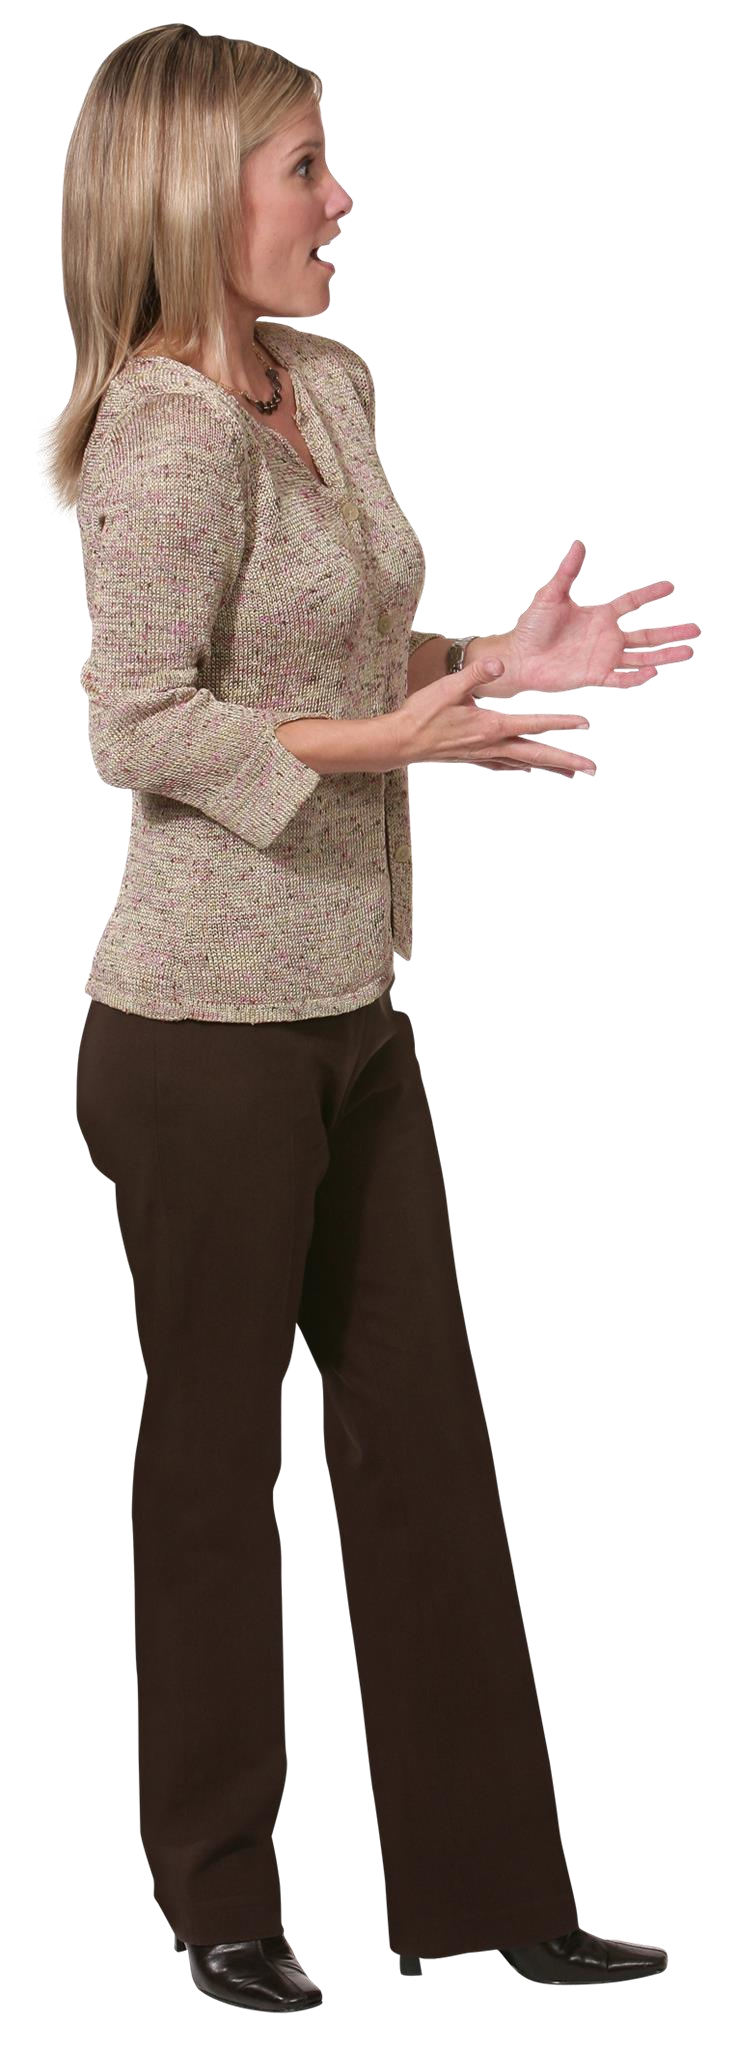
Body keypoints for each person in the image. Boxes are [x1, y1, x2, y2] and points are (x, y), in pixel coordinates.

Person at [62, 28, 682, 2014]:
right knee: (210, 1461)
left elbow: (339, 659)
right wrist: (398, 743)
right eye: (304, 167)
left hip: (351, 1003)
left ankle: (496, 1890)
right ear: (193, 194)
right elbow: (138, 723)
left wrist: (496, 655)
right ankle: (222, 1898)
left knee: (422, 1434)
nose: (342, 200)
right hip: (195, 1033)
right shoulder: (160, 434)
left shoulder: (327, 383)